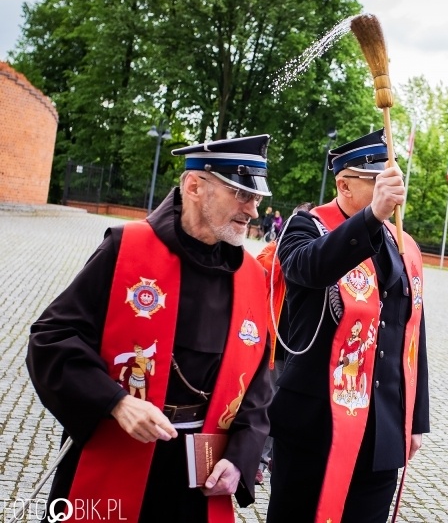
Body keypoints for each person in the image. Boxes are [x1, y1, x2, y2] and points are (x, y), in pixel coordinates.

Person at [26, 135, 275, 521]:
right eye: (242, 194)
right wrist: (116, 402)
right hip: (119, 446)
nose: (253, 211)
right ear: (194, 186)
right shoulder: (125, 247)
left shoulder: (252, 277)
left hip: (199, 471)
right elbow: (51, 339)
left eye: (256, 199)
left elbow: (259, 382)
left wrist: (241, 456)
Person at [266, 129, 429, 523]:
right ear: (343, 184)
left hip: (381, 427)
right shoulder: (306, 226)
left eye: (393, 178)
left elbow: (413, 332)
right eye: (377, 181)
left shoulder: (403, 243)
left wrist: (414, 418)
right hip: (316, 424)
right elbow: (310, 267)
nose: (390, 188)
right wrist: (372, 217)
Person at [254, 202, 314, 484]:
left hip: (303, 347)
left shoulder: (319, 253)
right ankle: (258, 460)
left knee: (290, 405)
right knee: (268, 403)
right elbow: (261, 270)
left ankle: (276, 457)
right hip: (277, 343)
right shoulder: (275, 250)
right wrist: (285, 249)